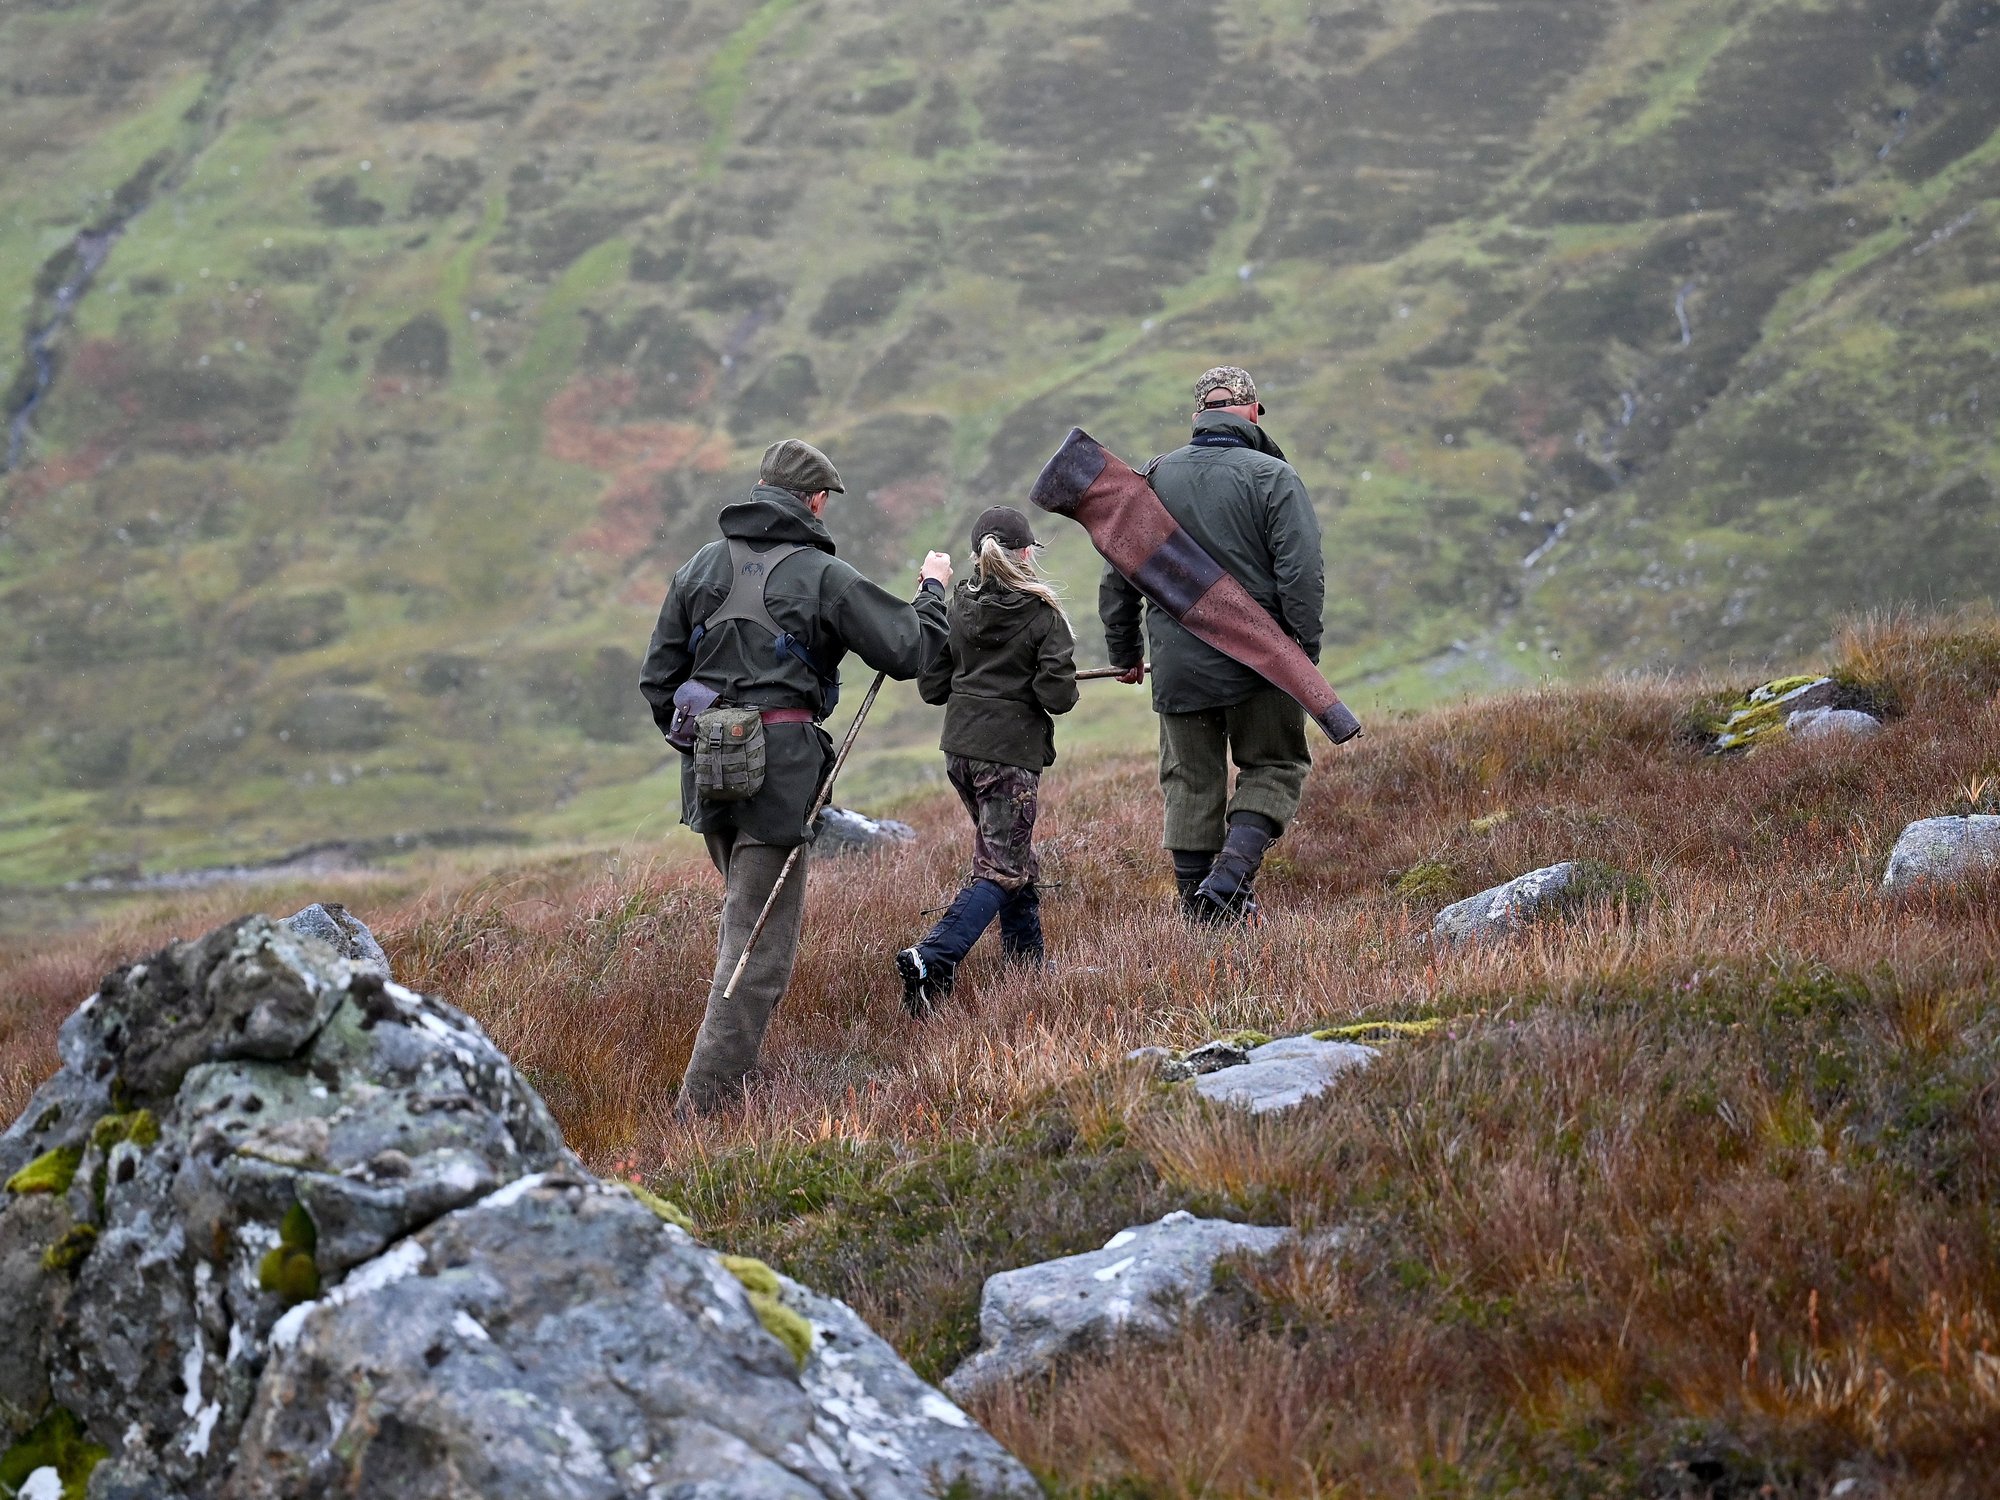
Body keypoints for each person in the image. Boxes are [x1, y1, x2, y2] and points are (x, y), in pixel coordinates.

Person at [640, 438, 952, 1112]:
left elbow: (657, 681)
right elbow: (908, 651)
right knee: (758, 949)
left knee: (743, 927)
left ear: (760, 489)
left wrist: (712, 743)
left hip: (710, 777)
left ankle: (723, 1077)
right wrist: (932, 591)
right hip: (778, 783)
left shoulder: (698, 568)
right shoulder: (819, 574)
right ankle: (706, 1104)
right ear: (814, 500)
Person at [1100, 365, 1325, 924]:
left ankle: (1203, 922)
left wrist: (1124, 653)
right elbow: (1301, 573)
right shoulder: (1273, 477)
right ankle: (1227, 884)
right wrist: (1304, 652)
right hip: (1262, 660)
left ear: (1198, 415)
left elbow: (1119, 573)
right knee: (1274, 765)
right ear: (1251, 412)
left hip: (1179, 666)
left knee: (1190, 784)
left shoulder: (1153, 477)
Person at [898, 506, 1078, 1015]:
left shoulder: (957, 608)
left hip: (961, 752)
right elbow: (1057, 696)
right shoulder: (1043, 615)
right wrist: (1044, 675)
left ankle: (1027, 969)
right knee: (1002, 866)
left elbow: (934, 687)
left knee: (1013, 856)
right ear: (1026, 554)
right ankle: (934, 956)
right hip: (1008, 757)